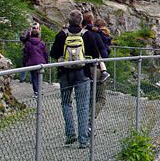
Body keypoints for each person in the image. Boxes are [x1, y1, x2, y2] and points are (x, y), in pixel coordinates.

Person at [50, 10, 100, 148]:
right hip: (82, 74)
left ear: (69, 21)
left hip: (64, 73)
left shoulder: (62, 35)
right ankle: (83, 140)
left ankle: (70, 134)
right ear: (80, 21)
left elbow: (53, 53)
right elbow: (95, 54)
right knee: (83, 106)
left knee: (66, 103)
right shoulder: (87, 35)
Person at [82, 12, 110, 119]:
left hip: (83, 67)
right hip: (96, 68)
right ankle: (90, 120)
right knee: (101, 98)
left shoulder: (83, 33)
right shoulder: (97, 35)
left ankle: (85, 125)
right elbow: (104, 53)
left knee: (88, 97)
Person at [21, 26, 48, 95]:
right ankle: (39, 89)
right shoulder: (42, 43)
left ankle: (36, 91)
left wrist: (25, 62)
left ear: (31, 34)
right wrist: (46, 61)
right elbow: (45, 53)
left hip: (32, 62)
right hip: (41, 62)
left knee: (34, 77)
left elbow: (26, 54)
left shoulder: (28, 43)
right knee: (39, 76)